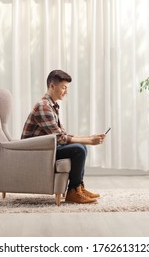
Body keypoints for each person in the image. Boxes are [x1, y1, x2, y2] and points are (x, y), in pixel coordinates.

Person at [21, 69, 106, 204]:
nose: (66, 91)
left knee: (81, 147)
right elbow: (61, 138)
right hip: (36, 152)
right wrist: (90, 141)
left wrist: (89, 137)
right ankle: (73, 192)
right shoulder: (43, 107)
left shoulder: (51, 106)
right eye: (64, 88)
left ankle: (77, 188)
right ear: (52, 86)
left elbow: (63, 135)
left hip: (47, 149)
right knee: (78, 149)